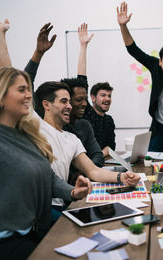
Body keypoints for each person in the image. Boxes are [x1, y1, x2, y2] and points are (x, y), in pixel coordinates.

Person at [0, 10, 140, 216]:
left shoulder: (72, 138)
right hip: (38, 208)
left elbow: (93, 171)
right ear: (46, 105)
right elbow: (8, 81)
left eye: (70, 101)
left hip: (63, 202)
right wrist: (0, 35)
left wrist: (123, 178)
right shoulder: (34, 126)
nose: (70, 106)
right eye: (64, 101)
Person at [0, 64, 91, 260]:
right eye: (21, 90)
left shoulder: (26, 137)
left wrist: (73, 192)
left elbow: (48, 177)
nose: (29, 95)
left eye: (28, 89)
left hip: (30, 235)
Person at [117, 2, 163, 152]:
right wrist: (123, 26)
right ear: (160, 62)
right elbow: (134, 51)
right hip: (159, 125)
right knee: (149, 157)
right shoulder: (156, 68)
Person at [61, 23, 104, 169]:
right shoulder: (55, 128)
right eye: (79, 100)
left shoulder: (84, 124)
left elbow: (98, 155)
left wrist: (86, 172)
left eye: (85, 99)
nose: (84, 104)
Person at [83, 81, 116, 157]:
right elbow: (82, 83)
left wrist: (100, 156)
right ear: (93, 97)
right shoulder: (86, 113)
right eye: (103, 95)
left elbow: (111, 147)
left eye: (109, 96)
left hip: (101, 160)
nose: (107, 99)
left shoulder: (109, 120)